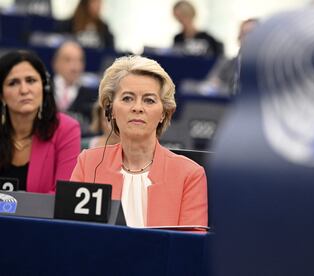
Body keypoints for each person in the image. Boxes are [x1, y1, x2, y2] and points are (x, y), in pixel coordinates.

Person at [71, 55, 208, 229]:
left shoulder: (190, 175)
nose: (137, 107)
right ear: (110, 109)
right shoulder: (88, 163)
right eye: (127, 98)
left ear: (164, 113)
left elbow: (191, 249)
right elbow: (73, 234)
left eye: (149, 100)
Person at [0, 50, 81, 193]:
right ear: (2, 95)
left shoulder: (66, 129)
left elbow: (62, 196)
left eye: (31, 80)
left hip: (40, 216)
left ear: (44, 87)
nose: (24, 90)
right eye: (13, 83)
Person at [52, 40, 98, 134]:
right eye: (68, 60)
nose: (74, 67)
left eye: (79, 61)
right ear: (56, 63)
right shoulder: (43, 89)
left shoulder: (91, 96)